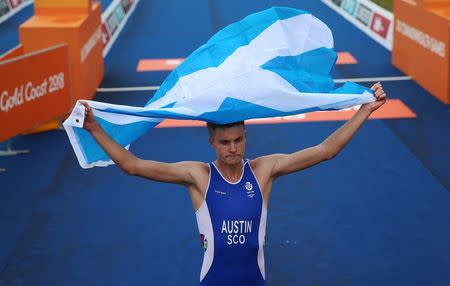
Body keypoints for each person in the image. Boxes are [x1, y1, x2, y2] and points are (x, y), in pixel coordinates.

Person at [80, 82, 386, 286]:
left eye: (238, 140)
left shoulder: (263, 170)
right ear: (212, 143)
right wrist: (94, 128)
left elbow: (326, 151)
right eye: (225, 142)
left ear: (245, 138)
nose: (233, 148)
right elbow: (133, 166)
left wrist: (364, 111)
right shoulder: (198, 176)